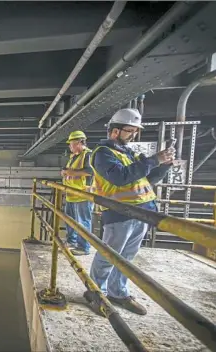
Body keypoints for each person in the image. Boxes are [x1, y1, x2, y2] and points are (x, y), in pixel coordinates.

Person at [86, 108, 175, 316]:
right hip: (119, 213)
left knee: (127, 257)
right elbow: (120, 177)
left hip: (141, 212)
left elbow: (146, 179)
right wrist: (153, 160)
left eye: (135, 131)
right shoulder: (102, 154)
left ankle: (118, 293)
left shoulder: (131, 153)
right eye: (130, 130)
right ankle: (96, 293)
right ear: (115, 131)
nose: (133, 134)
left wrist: (163, 165)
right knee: (108, 255)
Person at [61, 130, 94, 256]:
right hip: (71, 194)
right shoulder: (73, 157)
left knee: (83, 222)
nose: (70, 146)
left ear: (80, 142)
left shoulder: (88, 155)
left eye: (72, 143)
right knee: (70, 220)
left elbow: (90, 171)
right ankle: (72, 242)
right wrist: (65, 172)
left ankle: (83, 247)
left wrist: (71, 173)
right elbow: (70, 171)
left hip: (83, 194)